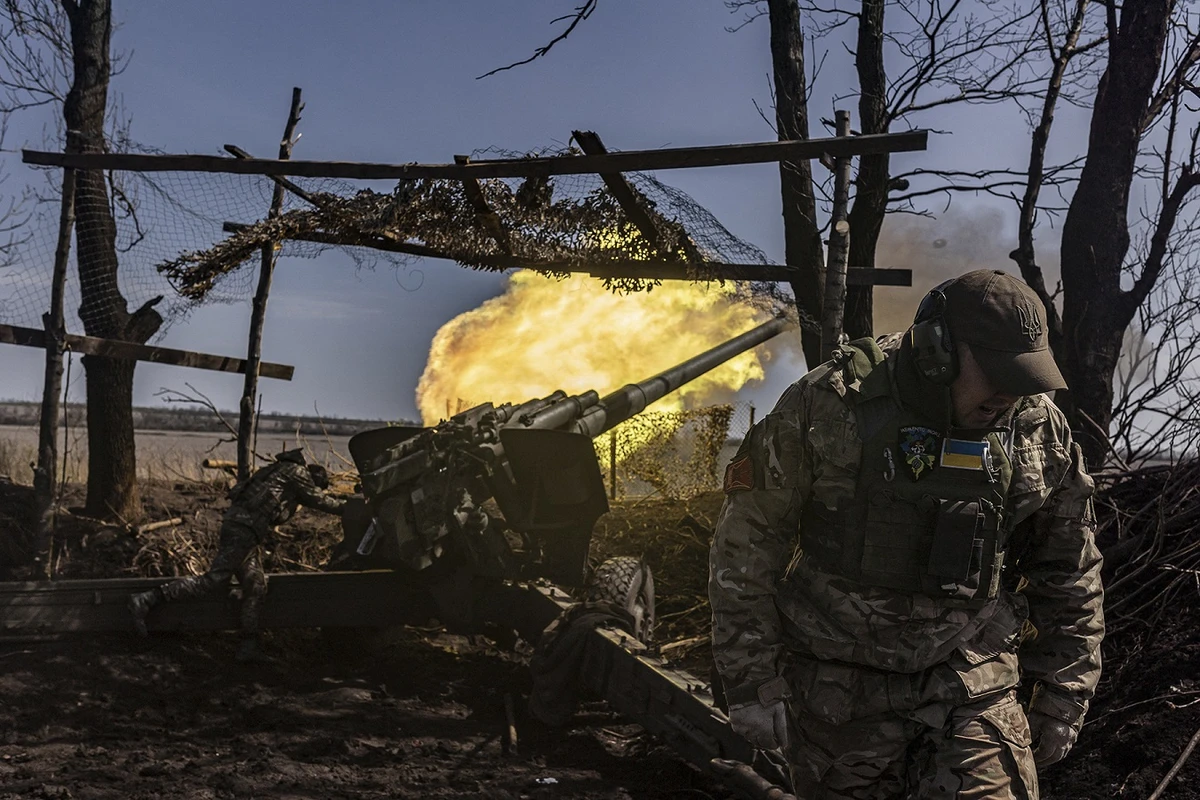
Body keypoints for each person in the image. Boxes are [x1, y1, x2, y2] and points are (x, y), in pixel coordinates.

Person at [710, 269, 1104, 798]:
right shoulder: (829, 404)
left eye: (1024, 377)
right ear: (937, 347)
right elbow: (745, 549)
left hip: (972, 677)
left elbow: (1070, 568)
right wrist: (751, 683)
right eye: (996, 373)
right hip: (839, 694)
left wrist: (1064, 691)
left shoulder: (1037, 426)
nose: (1009, 395)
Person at [129, 448, 346, 661]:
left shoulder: (278, 471)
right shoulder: (298, 473)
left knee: (256, 585)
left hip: (245, 530)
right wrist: (350, 507)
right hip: (243, 530)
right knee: (214, 580)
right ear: (313, 479)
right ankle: (147, 599)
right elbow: (319, 500)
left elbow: (277, 512)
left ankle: (247, 648)